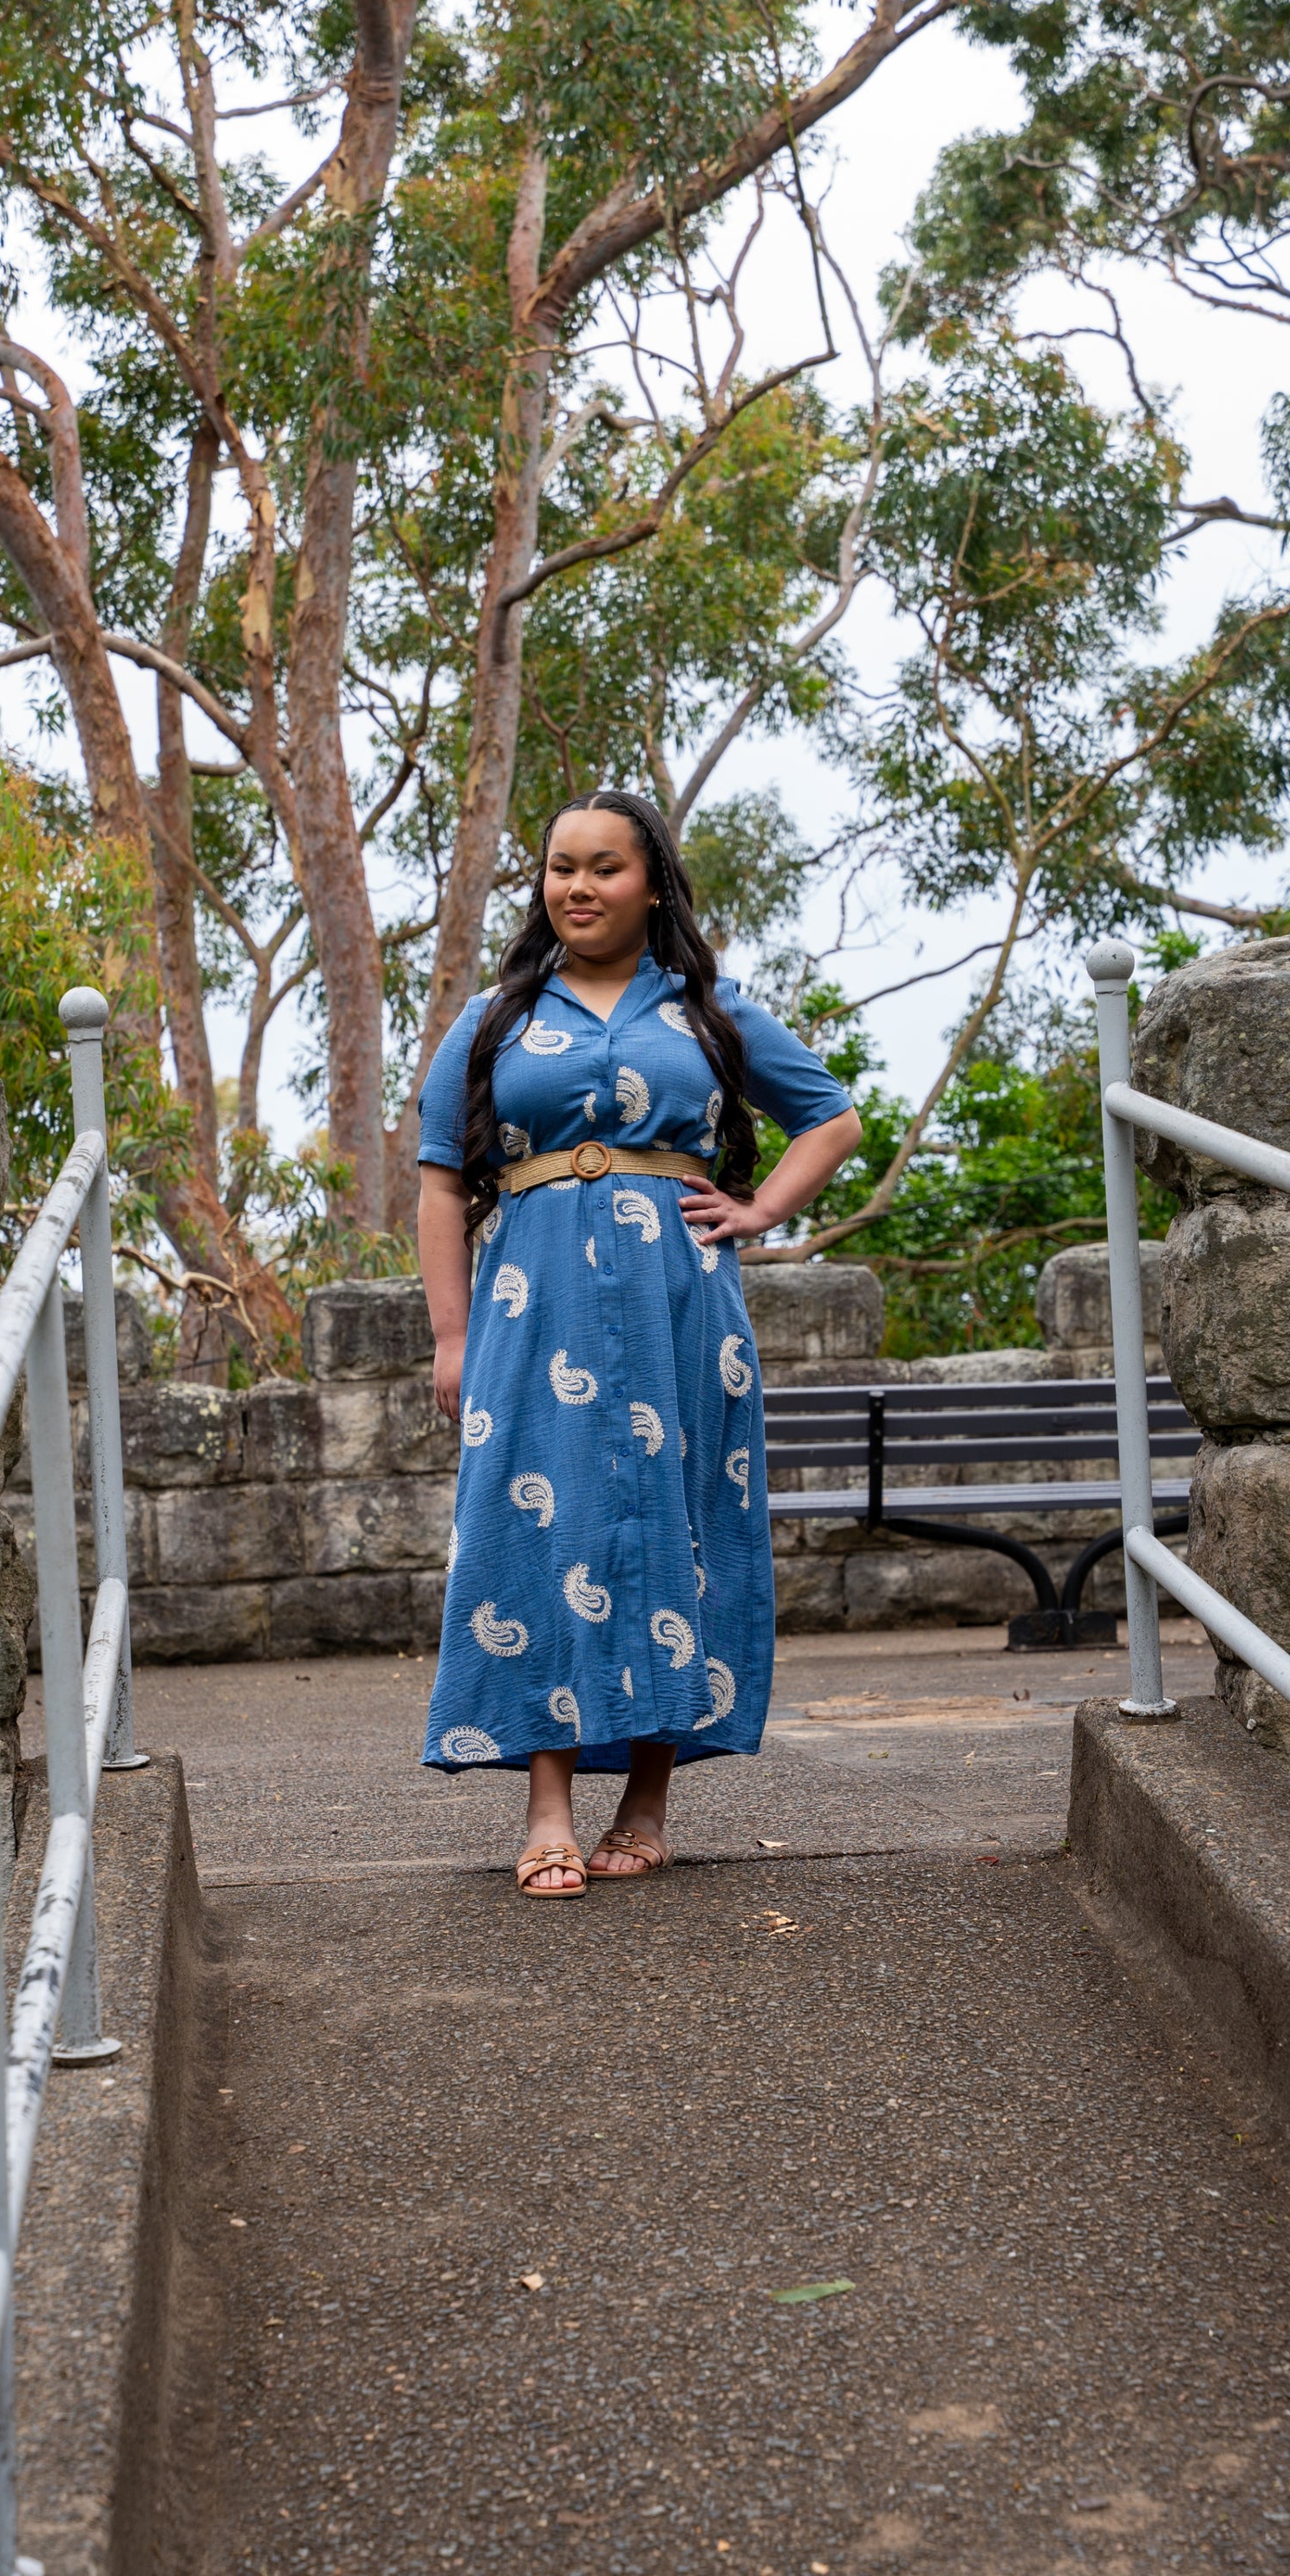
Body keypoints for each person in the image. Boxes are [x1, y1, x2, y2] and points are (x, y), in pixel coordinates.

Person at [414, 789, 863, 1896]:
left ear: (651, 883)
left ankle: (647, 1803)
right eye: (560, 867)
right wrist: (450, 1333)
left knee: (676, 1526)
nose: (577, 886)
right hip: (530, 1310)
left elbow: (832, 1118)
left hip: (680, 1310)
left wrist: (759, 1209)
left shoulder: (708, 1012)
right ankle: (547, 1808)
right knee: (536, 1532)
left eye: (603, 867)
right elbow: (439, 1181)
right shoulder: (494, 1020)